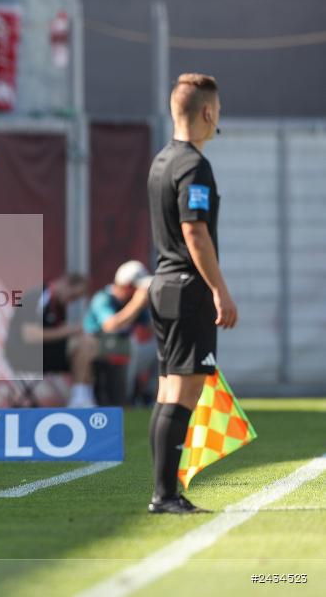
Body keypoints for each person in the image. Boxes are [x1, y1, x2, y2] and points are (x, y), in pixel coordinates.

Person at [147, 73, 237, 515]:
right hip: (187, 290)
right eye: (217, 110)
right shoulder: (194, 165)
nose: (218, 117)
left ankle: (166, 492)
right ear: (207, 112)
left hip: (163, 284)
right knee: (183, 394)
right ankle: (164, 496)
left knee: (169, 393)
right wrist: (220, 291)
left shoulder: (162, 160)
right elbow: (194, 230)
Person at [4, 273, 98, 408]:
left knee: (89, 344)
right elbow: (30, 335)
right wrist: (70, 330)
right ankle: (79, 399)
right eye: (72, 297)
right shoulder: (37, 297)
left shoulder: (57, 305)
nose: (70, 302)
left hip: (45, 352)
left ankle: (86, 396)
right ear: (66, 284)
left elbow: (57, 333)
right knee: (83, 345)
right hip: (24, 355)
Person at [82, 260, 155, 405]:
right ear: (127, 287)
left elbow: (151, 329)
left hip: (126, 352)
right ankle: (125, 400)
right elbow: (110, 326)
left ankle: (150, 397)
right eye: (137, 288)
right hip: (96, 352)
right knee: (129, 344)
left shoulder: (132, 303)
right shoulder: (103, 298)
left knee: (160, 349)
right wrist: (136, 303)